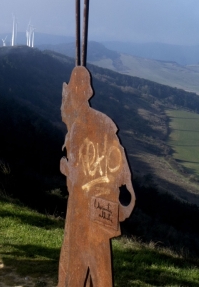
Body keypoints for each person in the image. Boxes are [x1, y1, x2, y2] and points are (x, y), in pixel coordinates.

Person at [58, 66, 135, 287]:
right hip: (102, 206)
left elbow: (76, 178)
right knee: (101, 263)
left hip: (81, 209)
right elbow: (121, 169)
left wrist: (64, 167)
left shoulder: (77, 128)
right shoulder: (105, 122)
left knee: (77, 263)